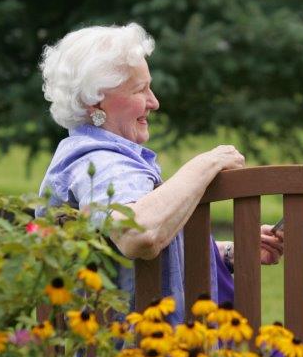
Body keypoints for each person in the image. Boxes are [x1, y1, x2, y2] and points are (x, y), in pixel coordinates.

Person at [36, 23, 284, 324]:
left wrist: (232, 251)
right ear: (96, 101)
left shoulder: (87, 154)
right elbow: (138, 234)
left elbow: (123, 256)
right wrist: (205, 165)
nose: (154, 102)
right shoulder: (101, 162)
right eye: (140, 89)